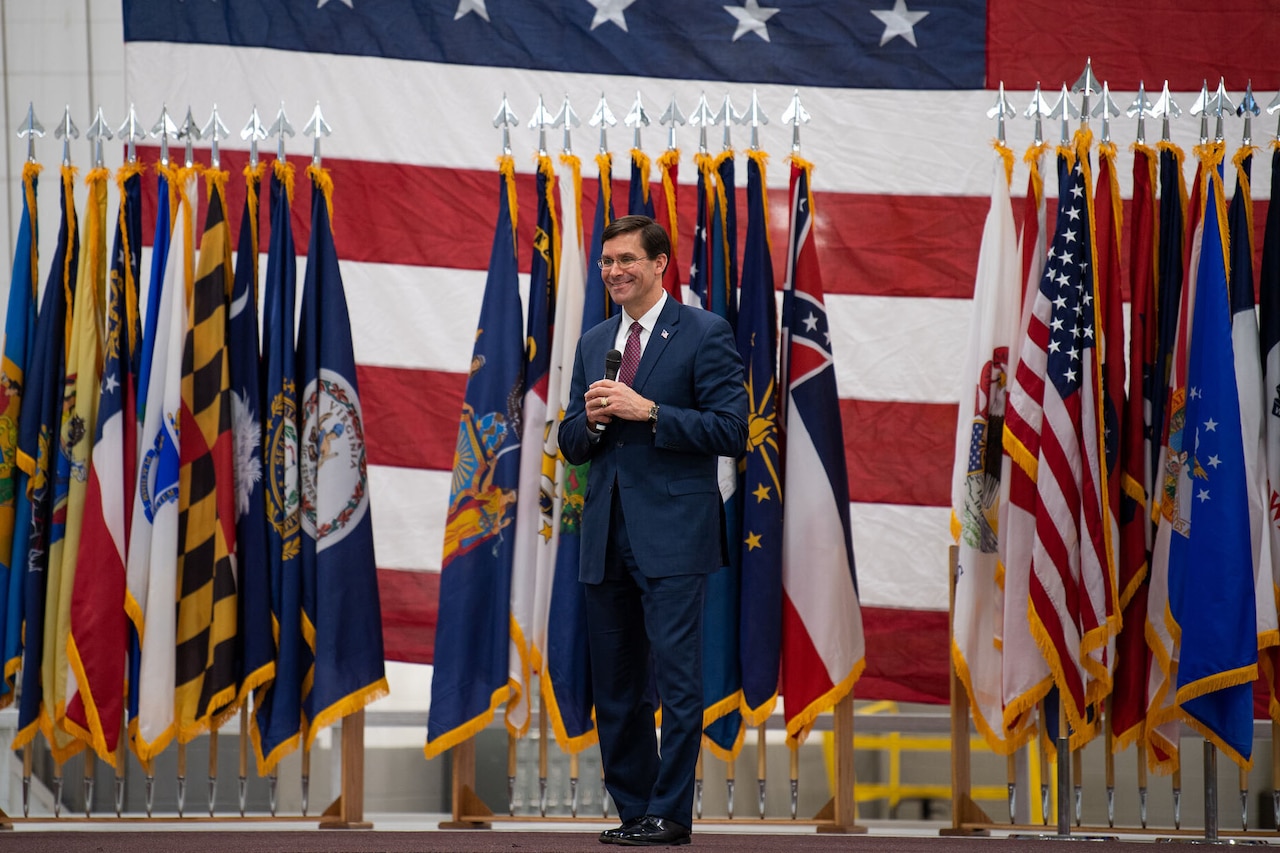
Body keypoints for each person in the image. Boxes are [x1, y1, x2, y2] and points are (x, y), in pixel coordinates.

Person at [559, 215, 748, 846]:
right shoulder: (593, 343)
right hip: (605, 538)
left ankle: (671, 813)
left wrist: (653, 412)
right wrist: (588, 422)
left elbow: (731, 430)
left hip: (674, 534)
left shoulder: (703, 332)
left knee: (677, 681)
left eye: (627, 260)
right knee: (615, 686)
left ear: (661, 263)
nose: (614, 271)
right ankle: (636, 809)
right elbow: (571, 443)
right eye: (607, 261)